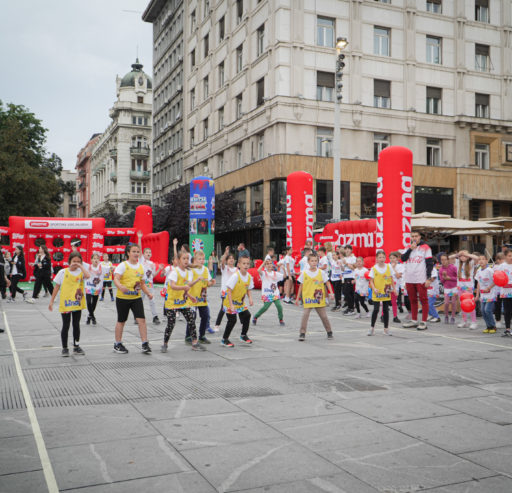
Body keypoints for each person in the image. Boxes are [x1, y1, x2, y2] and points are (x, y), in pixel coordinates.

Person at [113, 243, 154, 354]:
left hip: (136, 298)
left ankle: (145, 343)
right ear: (128, 253)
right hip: (122, 298)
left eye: (137, 252)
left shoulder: (141, 267)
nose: (136, 254)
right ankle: (117, 343)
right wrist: (120, 286)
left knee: (142, 320)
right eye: (134, 251)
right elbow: (116, 278)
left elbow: (142, 284)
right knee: (121, 321)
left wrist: (148, 293)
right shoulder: (123, 265)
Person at [161, 251, 205, 352]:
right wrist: (184, 287)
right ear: (178, 260)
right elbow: (172, 285)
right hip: (172, 301)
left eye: (187, 259)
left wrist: (190, 295)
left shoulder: (188, 272)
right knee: (171, 323)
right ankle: (165, 344)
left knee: (191, 320)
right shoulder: (175, 272)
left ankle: (194, 343)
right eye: (184, 258)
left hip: (183, 301)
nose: (186, 261)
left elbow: (187, 286)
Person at [48, 252, 90, 356]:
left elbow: (88, 276)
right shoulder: (62, 272)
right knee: (65, 325)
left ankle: (76, 346)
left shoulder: (81, 272)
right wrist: (52, 301)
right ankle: (65, 348)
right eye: (74, 261)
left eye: (78, 261)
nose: (76, 263)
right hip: (66, 303)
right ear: (69, 262)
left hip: (77, 303)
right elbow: (56, 287)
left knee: (76, 325)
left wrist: (81, 266)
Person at [295, 252, 335, 341]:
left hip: (318, 299)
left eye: (315, 261)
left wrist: (331, 293)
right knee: (305, 315)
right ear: (308, 262)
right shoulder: (304, 273)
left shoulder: (321, 272)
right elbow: (300, 286)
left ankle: (329, 332)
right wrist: (297, 298)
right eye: (312, 261)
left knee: (324, 316)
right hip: (308, 298)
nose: (314, 262)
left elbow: (327, 282)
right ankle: (302, 333)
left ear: (317, 262)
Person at [401, 231, 434, 330]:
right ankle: (414, 320)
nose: (414, 238)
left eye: (416, 236)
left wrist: (428, 278)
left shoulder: (426, 247)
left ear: (420, 237)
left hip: (421, 278)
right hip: (409, 278)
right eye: (413, 236)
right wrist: (410, 249)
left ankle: (423, 321)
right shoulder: (408, 247)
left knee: (424, 300)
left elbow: (429, 264)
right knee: (412, 300)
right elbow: (403, 259)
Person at [221, 255, 254, 347]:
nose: (246, 265)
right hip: (229, 302)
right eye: (244, 263)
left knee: (247, 315)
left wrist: (250, 298)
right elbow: (229, 290)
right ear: (239, 264)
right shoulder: (235, 276)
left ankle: (243, 335)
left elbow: (248, 289)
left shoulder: (249, 277)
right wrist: (231, 304)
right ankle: (224, 339)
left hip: (240, 303)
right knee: (232, 320)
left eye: (248, 263)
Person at [188, 250, 216, 344]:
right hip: (192, 297)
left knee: (205, 316)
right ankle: (188, 336)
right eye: (199, 259)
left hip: (202, 297)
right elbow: (188, 284)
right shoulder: (191, 270)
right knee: (192, 317)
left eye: (203, 259)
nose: (202, 260)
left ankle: (202, 335)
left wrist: (211, 283)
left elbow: (207, 283)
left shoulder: (205, 269)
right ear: (195, 260)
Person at [138, 231, 163, 325]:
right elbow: (139, 249)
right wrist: (140, 238)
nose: (148, 254)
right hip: (141, 284)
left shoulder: (152, 264)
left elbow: (153, 275)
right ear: (143, 254)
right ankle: (138, 316)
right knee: (140, 301)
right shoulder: (141, 260)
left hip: (150, 285)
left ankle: (155, 316)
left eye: (149, 252)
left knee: (152, 300)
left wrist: (159, 269)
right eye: (146, 252)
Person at [451, 250, 479, 329]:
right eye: (461, 256)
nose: (463, 257)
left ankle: (474, 322)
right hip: (460, 288)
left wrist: (468, 254)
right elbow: (449, 257)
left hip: (468, 288)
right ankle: (464, 321)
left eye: (464, 256)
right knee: (463, 305)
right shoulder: (457, 263)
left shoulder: (471, 263)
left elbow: (477, 258)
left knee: (471, 305)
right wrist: (458, 254)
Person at [368, 250, 394, 336]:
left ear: (385, 258)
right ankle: (372, 328)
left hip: (386, 291)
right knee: (376, 309)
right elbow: (371, 280)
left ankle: (386, 329)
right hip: (377, 292)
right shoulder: (374, 268)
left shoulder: (389, 267)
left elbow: (391, 278)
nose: (381, 259)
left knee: (386, 310)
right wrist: (374, 288)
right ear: (377, 258)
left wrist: (394, 289)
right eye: (380, 257)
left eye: (383, 257)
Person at [252, 257, 285, 326]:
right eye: (267, 264)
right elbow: (258, 270)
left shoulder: (275, 273)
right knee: (265, 307)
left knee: (279, 306)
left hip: (275, 294)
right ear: (265, 266)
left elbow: (284, 276)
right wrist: (264, 263)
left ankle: (281, 319)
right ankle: (256, 317)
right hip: (267, 294)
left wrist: (284, 269)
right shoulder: (264, 273)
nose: (269, 265)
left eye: (270, 263)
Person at [213, 247, 238, 332]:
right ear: (227, 261)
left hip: (234, 293)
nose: (231, 260)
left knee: (238, 307)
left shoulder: (236, 270)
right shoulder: (225, 268)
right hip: (225, 292)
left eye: (232, 259)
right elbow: (222, 262)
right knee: (223, 308)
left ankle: (241, 322)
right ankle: (217, 324)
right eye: (229, 259)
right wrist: (225, 254)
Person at [84, 253, 108, 325]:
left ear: (99, 260)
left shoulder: (102, 267)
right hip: (88, 287)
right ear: (91, 260)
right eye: (94, 258)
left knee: (94, 304)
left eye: (97, 258)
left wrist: (114, 268)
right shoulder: (87, 266)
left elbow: (111, 268)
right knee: (88, 303)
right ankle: (93, 317)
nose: (96, 260)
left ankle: (89, 316)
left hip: (97, 288)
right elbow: (80, 261)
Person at [475, 254, 496, 334]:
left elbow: (495, 281)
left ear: (486, 261)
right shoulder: (479, 271)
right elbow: (478, 283)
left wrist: (489, 287)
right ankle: (488, 326)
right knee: (483, 311)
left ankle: (492, 326)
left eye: (483, 259)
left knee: (487, 310)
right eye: (479, 259)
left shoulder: (490, 270)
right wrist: (477, 295)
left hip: (490, 294)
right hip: (483, 295)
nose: (481, 261)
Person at [495, 249, 512, 337]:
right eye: (509, 256)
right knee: (507, 311)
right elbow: (497, 277)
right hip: (505, 292)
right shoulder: (501, 266)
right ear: (505, 257)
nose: (511, 257)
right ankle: (507, 329)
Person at [439, 253, 458, 324]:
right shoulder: (441, 269)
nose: (443, 261)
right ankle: (446, 316)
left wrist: (450, 278)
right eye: (442, 260)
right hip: (447, 288)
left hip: (454, 287)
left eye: (445, 260)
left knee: (453, 302)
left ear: (448, 260)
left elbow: (458, 278)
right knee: (446, 303)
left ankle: (453, 317)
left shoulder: (453, 267)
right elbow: (442, 281)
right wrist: (444, 277)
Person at [341, 245, 357, 315]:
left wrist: (346, 263)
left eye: (348, 249)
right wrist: (341, 266)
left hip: (351, 277)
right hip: (345, 277)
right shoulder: (344, 258)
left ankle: (351, 308)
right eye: (346, 249)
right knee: (348, 293)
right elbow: (343, 269)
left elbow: (354, 268)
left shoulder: (353, 258)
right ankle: (351, 307)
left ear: (351, 250)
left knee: (346, 292)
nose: (347, 250)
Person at [388, 252, 403, 323]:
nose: (392, 259)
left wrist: (393, 268)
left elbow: (398, 276)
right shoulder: (387, 265)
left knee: (394, 302)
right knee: (385, 301)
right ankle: (382, 315)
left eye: (394, 258)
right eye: (391, 258)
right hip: (387, 286)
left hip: (395, 287)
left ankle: (395, 316)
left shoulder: (400, 266)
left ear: (397, 258)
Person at [494, 252, 506, 329]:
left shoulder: (506, 266)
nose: (502, 261)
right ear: (497, 260)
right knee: (497, 306)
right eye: (501, 259)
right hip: (497, 290)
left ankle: (506, 318)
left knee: (506, 306)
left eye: (503, 259)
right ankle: (498, 320)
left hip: (505, 290)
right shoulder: (495, 267)